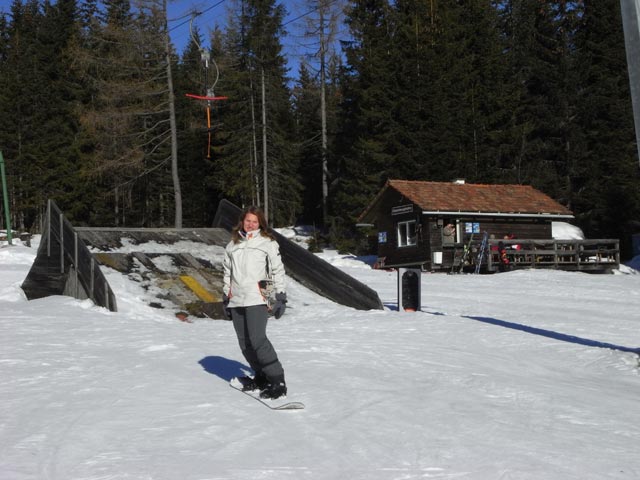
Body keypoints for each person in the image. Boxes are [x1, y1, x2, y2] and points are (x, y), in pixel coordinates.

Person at [222, 206, 288, 400]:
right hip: (237, 298)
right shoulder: (232, 245)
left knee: (258, 339)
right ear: (242, 221)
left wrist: (280, 296)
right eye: (248, 220)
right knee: (245, 343)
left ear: (260, 224)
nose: (250, 224)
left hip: (259, 295)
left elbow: (277, 270)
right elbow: (227, 273)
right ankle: (261, 376)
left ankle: (277, 380)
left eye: (255, 221)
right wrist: (226, 297)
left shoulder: (267, 243)